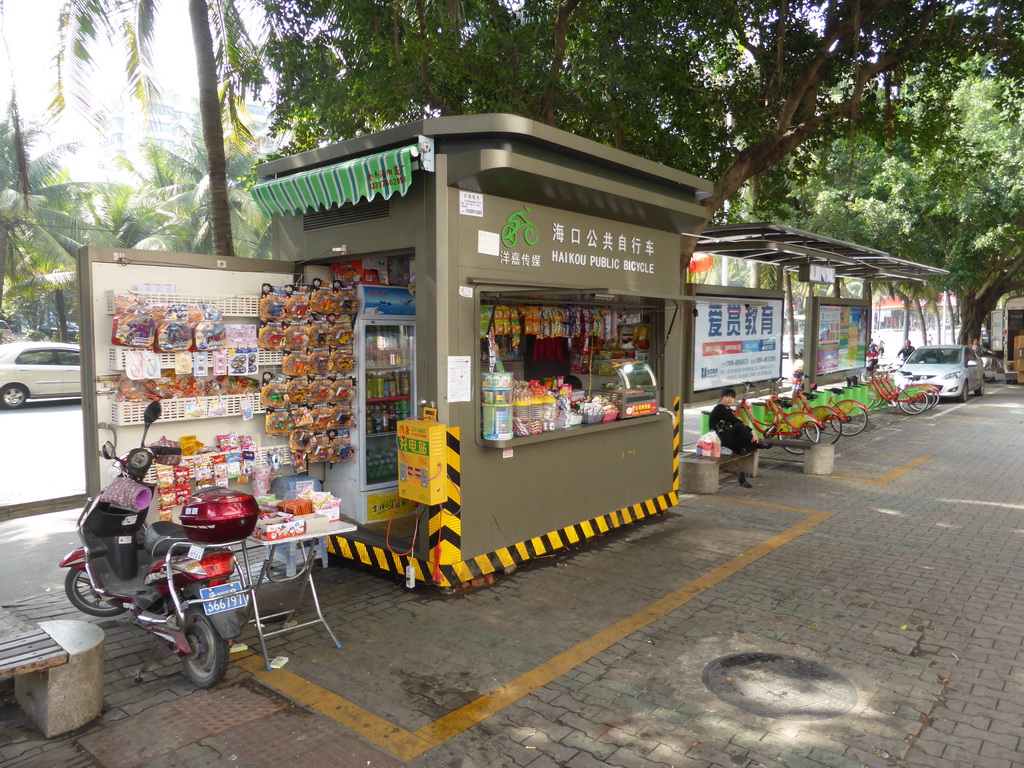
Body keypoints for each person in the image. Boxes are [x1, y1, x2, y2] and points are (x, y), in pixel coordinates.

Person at [709, 388, 771, 488]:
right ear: (722, 398)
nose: (729, 399)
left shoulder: (727, 409)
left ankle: (742, 477)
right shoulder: (719, 408)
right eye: (727, 397)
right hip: (719, 440)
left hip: (726, 439)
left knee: (745, 449)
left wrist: (751, 434)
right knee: (739, 427)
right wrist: (752, 432)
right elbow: (735, 421)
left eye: (732, 397)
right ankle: (756, 444)